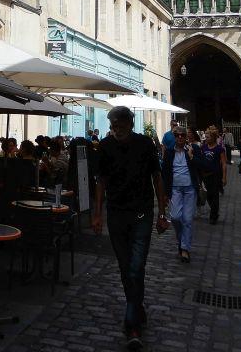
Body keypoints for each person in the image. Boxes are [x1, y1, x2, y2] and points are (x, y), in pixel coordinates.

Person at [92, 106, 168, 349]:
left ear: (130, 124)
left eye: (120, 124)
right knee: (126, 268)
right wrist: (97, 215)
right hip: (116, 215)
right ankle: (137, 306)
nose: (116, 128)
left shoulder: (145, 144)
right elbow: (101, 182)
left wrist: (163, 213)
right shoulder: (105, 147)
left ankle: (132, 324)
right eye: (113, 124)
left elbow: (157, 178)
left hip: (141, 214)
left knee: (137, 266)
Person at [161, 127, 203, 263]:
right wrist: (165, 193)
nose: (179, 137)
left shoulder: (193, 149)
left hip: (190, 188)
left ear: (186, 137)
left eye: (182, 135)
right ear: (174, 137)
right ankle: (182, 242)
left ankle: (185, 249)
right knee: (175, 217)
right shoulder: (168, 152)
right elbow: (165, 173)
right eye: (177, 135)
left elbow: (204, 165)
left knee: (187, 219)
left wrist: (192, 157)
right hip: (175, 189)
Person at [199, 127, 227, 224]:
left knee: (214, 195)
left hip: (215, 175)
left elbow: (223, 163)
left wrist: (224, 177)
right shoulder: (203, 147)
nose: (206, 138)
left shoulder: (219, 149)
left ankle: (213, 215)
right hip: (205, 175)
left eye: (208, 137)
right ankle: (214, 211)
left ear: (213, 137)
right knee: (208, 196)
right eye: (205, 137)